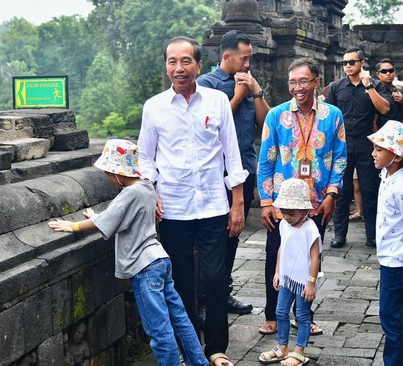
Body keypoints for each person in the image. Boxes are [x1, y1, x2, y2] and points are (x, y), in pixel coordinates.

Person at [137, 36, 248, 366]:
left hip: (214, 205)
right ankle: (189, 347)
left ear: (199, 66)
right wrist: (151, 191)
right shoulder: (154, 107)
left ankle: (216, 349)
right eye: (172, 61)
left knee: (215, 280)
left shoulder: (216, 101)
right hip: (173, 207)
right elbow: (144, 156)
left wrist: (238, 202)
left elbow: (232, 153)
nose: (179, 68)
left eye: (186, 61)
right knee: (181, 283)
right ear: (166, 66)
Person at [48, 139, 209, 366]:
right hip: (160, 259)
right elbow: (119, 217)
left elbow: (107, 220)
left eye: (107, 172)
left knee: (159, 329)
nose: (106, 177)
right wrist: (97, 216)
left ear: (117, 171)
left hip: (144, 267)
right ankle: (198, 362)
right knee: (179, 318)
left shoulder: (128, 194)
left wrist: (72, 226)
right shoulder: (146, 186)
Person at [257, 57, 346, 337]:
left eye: (303, 81)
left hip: (316, 202)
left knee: (311, 257)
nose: (298, 87)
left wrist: (332, 193)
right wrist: (266, 201)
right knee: (276, 255)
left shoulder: (333, 115)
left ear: (316, 82)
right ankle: (273, 313)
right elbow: (265, 161)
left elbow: (340, 158)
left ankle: (303, 314)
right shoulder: (276, 116)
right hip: (282, 205)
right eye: (293, 81)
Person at [197, 30, 270, 317]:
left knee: (233, 234)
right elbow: (208, 127)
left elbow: (266, 123)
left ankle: (223, 293)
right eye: (244, 58)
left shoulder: (248, 81)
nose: (248, 64)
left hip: (245, 166)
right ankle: (205, 300)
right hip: (217, 172)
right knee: (213, 236)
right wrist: (238, 96)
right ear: (226, 56)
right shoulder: (206, 85)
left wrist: (256, 92)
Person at [367, 120, 403, 366]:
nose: (373, 153)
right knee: (392, 311)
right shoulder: (386, 175)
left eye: (380, 149)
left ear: (397, 156)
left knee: (388, 313)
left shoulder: (402, 187)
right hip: (389, 254)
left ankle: (395, 360)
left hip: (398, 258)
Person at [325, 46, 390, 249]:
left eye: (351, 62)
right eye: (344, 63)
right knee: (341, 191)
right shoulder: (336, 87)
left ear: (362, 63)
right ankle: (339, 235)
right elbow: (327, 114)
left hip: (365, 142)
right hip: (342, 144)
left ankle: (372, 236)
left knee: (369, 190)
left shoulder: (376, 85)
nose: (347, 66)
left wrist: (369, 86)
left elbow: (385, 108)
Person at [258, 179, 323, 366]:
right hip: (287, 278)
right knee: (280, 312)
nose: (286, 217)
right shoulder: (284, 224)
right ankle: (282, 346)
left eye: (291, 213)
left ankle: (299, 350)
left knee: (302, 316)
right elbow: (282, 249)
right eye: (283, 212)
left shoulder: (310, 229)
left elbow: (315, 258)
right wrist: (278, 272)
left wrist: (311, 283)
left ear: (304, 210)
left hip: (303, 281)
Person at [375, 58, 403, 128]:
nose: (388, 74)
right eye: (384, 71)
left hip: (397, 133)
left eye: (391, 71)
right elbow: (373, 120)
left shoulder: (398, 91)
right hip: (382, 134)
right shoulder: (376, 92)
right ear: (378, 74)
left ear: (394, 72)